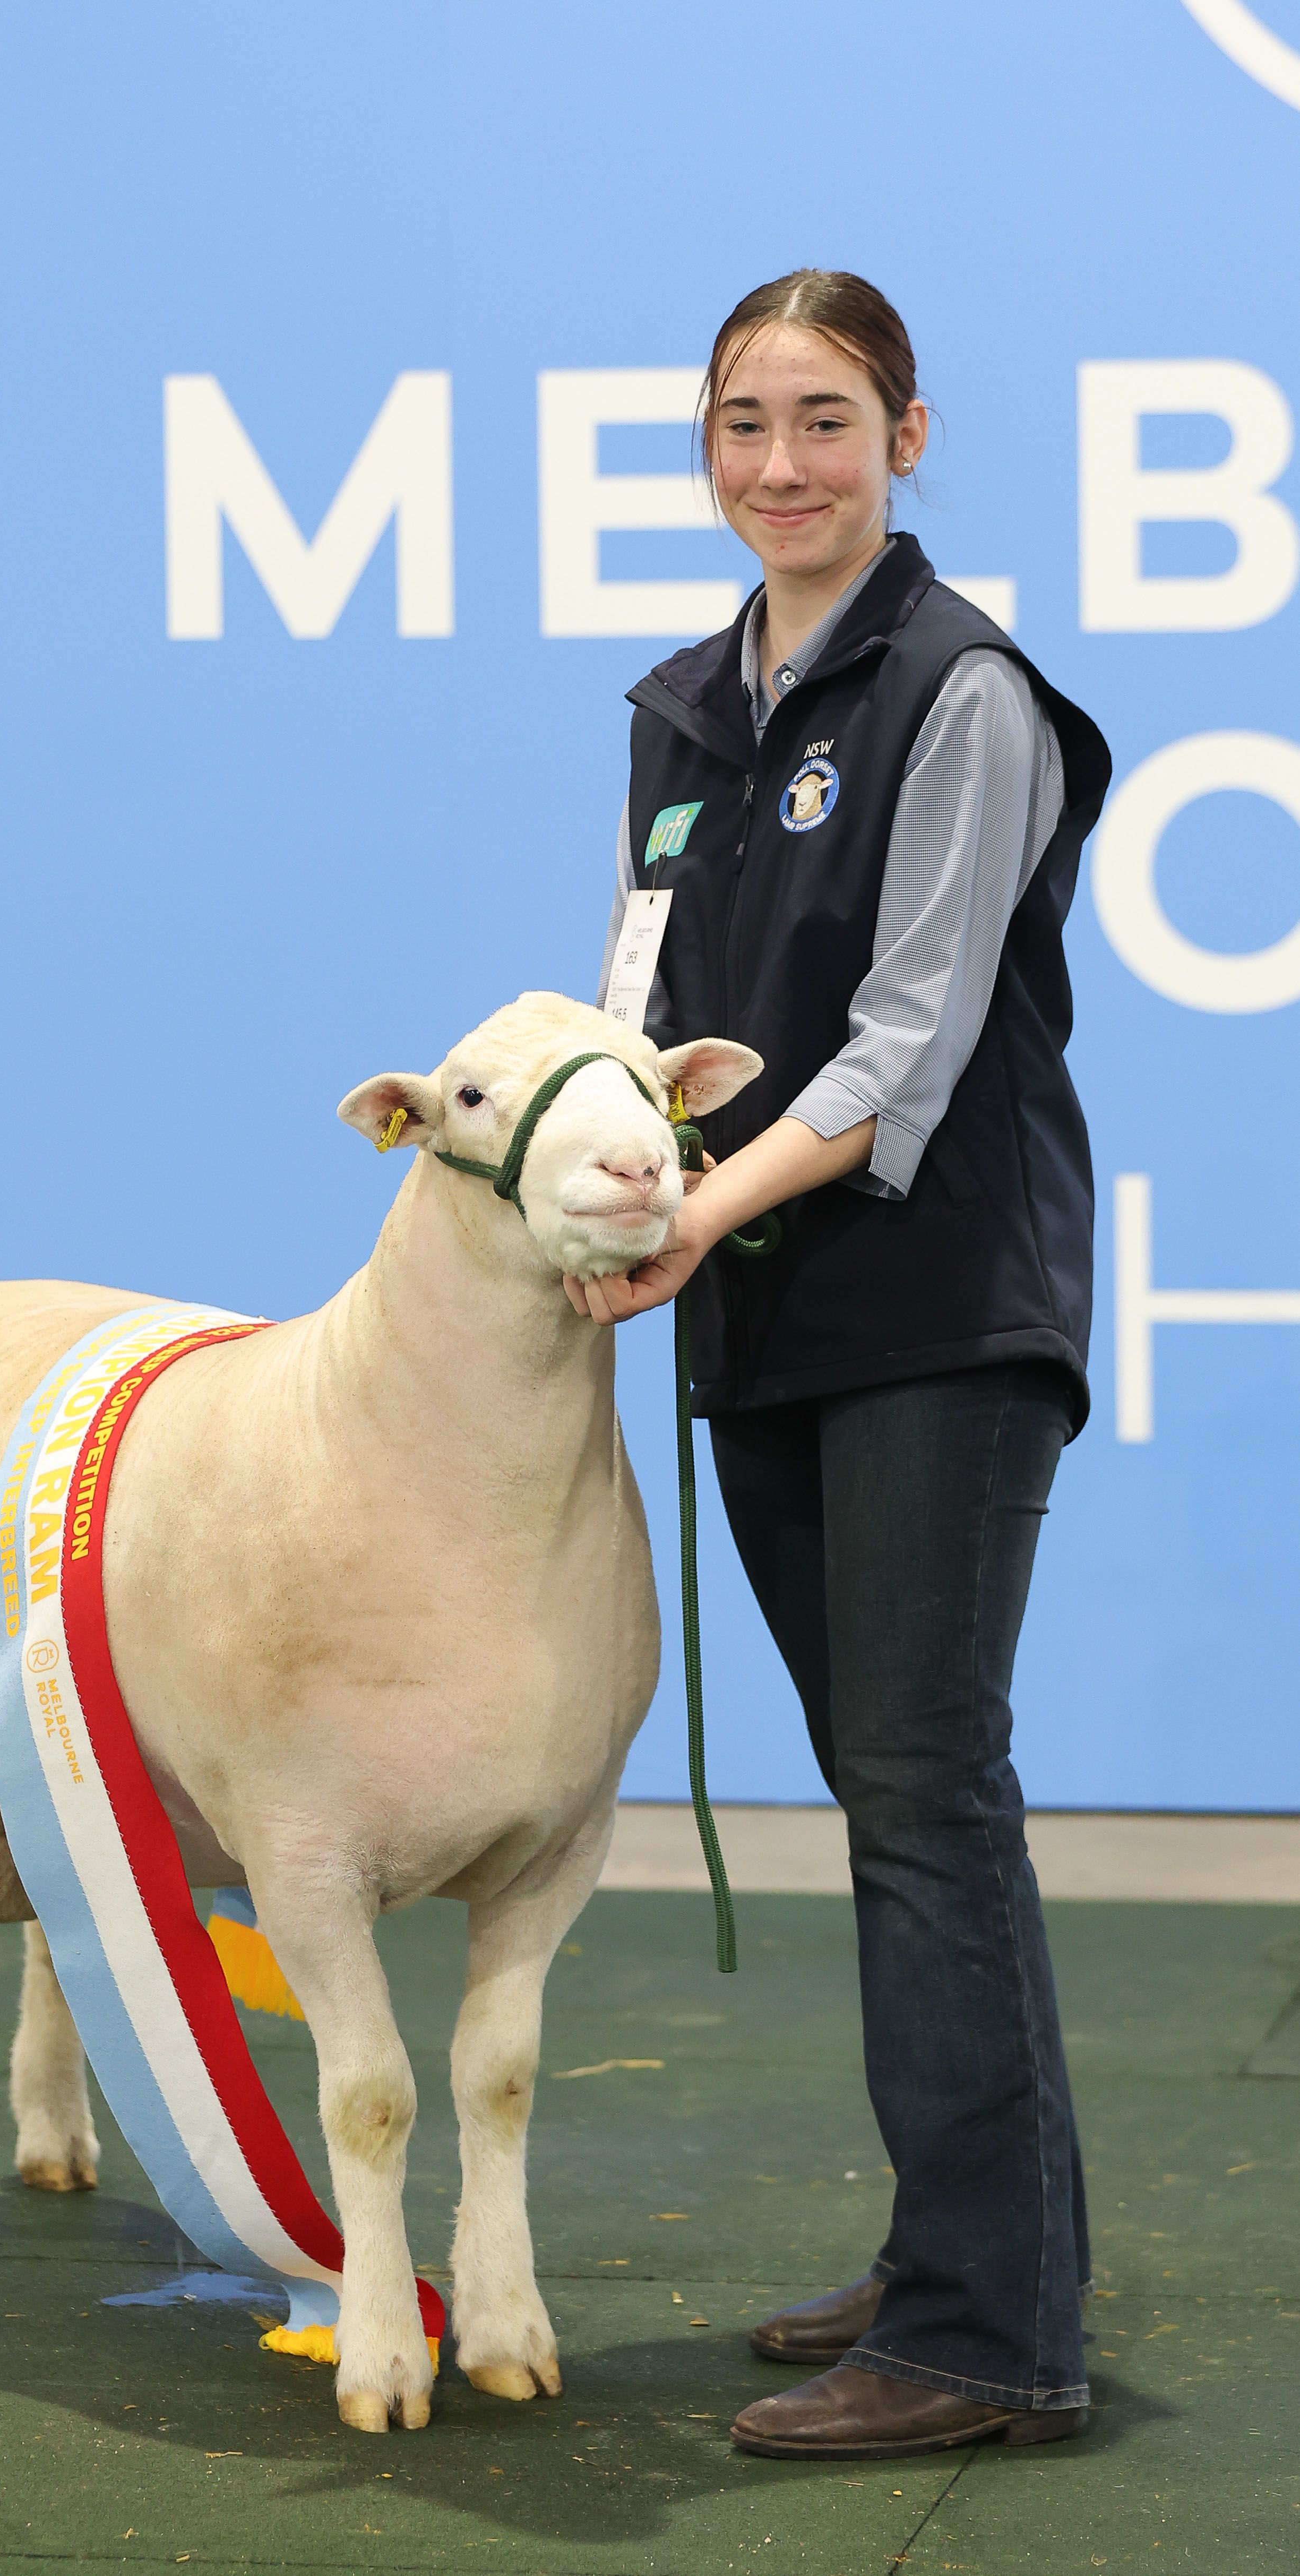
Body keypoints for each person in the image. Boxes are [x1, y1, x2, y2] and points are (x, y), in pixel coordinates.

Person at [578, 269, 1112, 2461]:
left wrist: (696, 1209)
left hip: (929, 1303)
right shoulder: (680, 709)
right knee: (894, 1791)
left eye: (822, 419)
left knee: (920, 1792)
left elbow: (905, 1047)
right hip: (763, 1309)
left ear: (905, 432)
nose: (777, 465)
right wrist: (602, 1174)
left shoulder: (961, 690)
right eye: (739, 423)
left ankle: (986, 2334)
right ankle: (952, 2251)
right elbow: (640, 999)